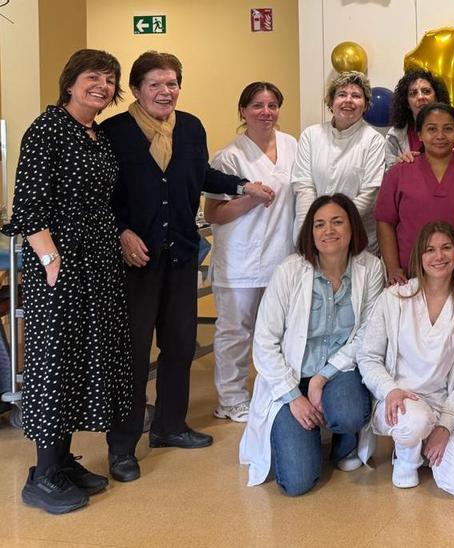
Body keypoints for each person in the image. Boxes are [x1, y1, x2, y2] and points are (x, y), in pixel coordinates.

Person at [103, 51, 275, 483]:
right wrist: (122, 232)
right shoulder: (114, 132)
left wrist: (241, 185)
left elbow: (203, 176)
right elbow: (100, 197)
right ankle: (122, 447)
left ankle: (170, 426)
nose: (166, 92)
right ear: (138, 89)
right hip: (135, 261)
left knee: (180, 346)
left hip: (180, 253)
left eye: (172, 83)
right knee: (134, 354)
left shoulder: (191, 127)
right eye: (156, 84)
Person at [11, 49, 131, 514]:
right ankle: (42, 475)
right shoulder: (47, 130)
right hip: (61, 266)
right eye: (92, 76)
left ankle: (61, 460)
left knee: (84, 359)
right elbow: (29, 208)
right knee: (55, 361)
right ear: (70, 81)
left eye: (109, 79)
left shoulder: (94, 134)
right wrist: (51, 261)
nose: (101, 85)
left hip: (97, 261)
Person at [240, 194, 385, 496]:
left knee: (347, 412)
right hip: (288, 380)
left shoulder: (370, 268)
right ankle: (307, 431)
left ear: (352, 227)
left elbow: (367, 336)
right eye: (319, 224)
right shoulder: (290, 271)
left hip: (337, 373)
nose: (328, 230)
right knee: (297, 483)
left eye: (336, 222)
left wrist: (321, 378)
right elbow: (265, 343)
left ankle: (342, 441)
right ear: (310, 231)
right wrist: (294, 396)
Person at [357, 222, 454, 495]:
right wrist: (389, 390)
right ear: (419, 257)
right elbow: (368, 356)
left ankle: (426, 442)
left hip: (445, 404)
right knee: (414, 421)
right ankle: (406, 457)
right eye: (430, 250)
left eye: (446, 248)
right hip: (401, 401)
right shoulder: (395, 298)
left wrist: (446, 426)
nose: (439, 257)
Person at [205, 82, 298, 424]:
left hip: (280, 256)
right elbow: (214, 212)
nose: (266, 112)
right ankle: (230, 399)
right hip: (240, 261)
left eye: (272, 105)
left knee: (278, 331)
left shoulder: (291, 146)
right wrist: (249, 198)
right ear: (243, 111)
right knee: (236, 331)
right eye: (257, 105)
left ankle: (274, 390)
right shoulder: (229, 156)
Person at [375, 102, 454, 287]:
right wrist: (393, 268)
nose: (440, 136)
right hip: (410, 275)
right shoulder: (399, 172)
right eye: (431, 129)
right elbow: (384, 221)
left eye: (448, 129)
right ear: (420, 135)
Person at [293, 71, 387, 253]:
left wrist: (334, 226)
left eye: (356, 96)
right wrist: (311, 230)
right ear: (331, 102)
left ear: (366, 104)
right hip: (314, 236)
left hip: (358, 237)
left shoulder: (374, 140)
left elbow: (370, 193)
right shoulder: (311, 135)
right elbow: (304, 187)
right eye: (342, 95)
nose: (348, 100)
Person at [385, 69, 450, 164]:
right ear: (406, 102)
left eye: (426, 91)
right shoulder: (394, 136)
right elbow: (388, 174)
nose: (420, 97)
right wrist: (398, 166)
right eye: (413, 93)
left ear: (437, 97)